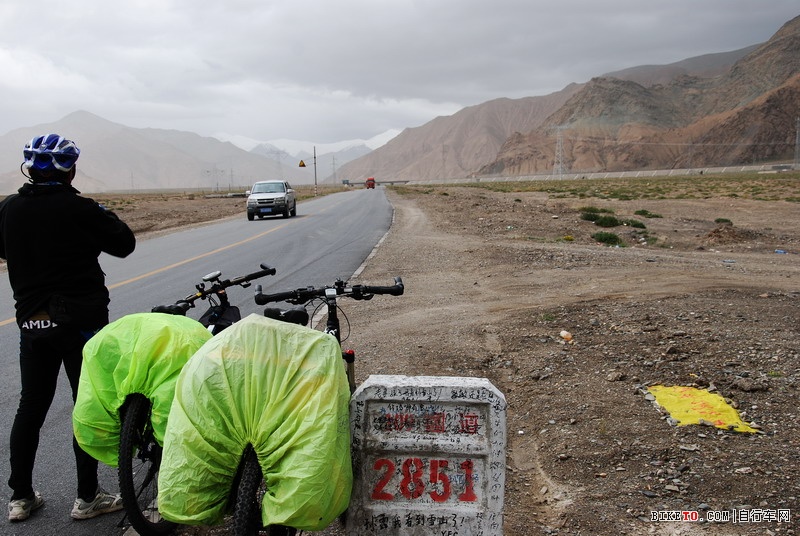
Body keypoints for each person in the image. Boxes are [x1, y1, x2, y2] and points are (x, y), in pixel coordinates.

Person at [0, 134, 136, 522]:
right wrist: (100, 218)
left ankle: (21, 498)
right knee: (86, 404)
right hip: (81, 324)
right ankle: (87, 496)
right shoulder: (80, 208)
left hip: (33, 322)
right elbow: (124, 244)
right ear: (69, 168)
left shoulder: (9, 209)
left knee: (31, 406)